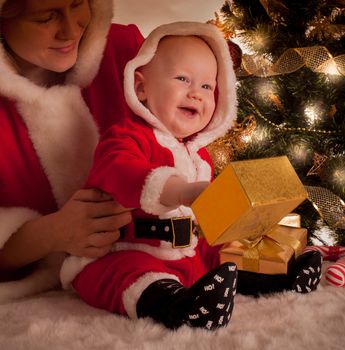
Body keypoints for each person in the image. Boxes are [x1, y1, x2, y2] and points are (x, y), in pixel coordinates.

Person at [61, 22, 323, 331]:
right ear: (142, 87)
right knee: (132, 273)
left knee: (226, 251)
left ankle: (280, 277)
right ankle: (179, 306)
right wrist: (181, 191)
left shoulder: (200, 156)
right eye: (183, 79)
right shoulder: (126, 137)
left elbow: (208, 219)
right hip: (125, 250)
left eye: (207, 86)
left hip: (187, 253)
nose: (196, 94)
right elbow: (119, 172)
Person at [0, 0, 143, 301]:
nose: (70, 30)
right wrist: (54, 233)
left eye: (78, 3)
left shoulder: (127, 51)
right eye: (46, 18)